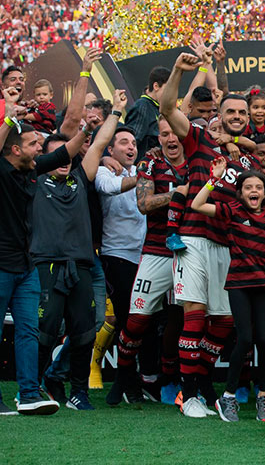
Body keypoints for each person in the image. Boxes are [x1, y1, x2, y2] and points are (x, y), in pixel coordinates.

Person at [160, 52, 261, 419]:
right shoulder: (199, 137)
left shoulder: (246, 162)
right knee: (195, 314)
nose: (237, 118)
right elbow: (168, 105)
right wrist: (179, 71)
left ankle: (201, 382)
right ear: (220, 112)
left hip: (227, 245)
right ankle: (189, 394)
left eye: (243, 114)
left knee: (224, 322)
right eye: (231, 112)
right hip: (193, 240)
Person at [33, 90, 127, 411]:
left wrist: (115, 112)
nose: (63, 160)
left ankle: (78, 393)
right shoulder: (34, 182)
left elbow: (99, 145)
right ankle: (33, 387)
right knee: (46, 331)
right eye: (56, 155)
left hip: (83, 266)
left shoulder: (79, 179)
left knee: (85, 331)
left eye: (67, 154)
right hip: (47, 265)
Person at [191, 158, 265, 423]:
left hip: (264, 284)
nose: (254, 191)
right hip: (239, 285)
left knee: (264, 340)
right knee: (244, 340)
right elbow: (197, 205)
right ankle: (228, 397)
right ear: (240, 192)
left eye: (258, 187)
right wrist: (213, 179)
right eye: (248, 187)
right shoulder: (231, 211)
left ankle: (263, 396)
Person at [0, 86, 70, 416]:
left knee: (29, 331)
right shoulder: (1, 170)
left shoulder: (32, 169)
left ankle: (28, 393)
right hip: (0, 266)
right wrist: (9, 119)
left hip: (26, 266)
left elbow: (63, 149)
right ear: (14, 148)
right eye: (32, 144)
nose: (39, 148)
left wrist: (88, 125)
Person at [109, 116, 187, 406]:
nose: (171, 138)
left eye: (175, 132)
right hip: (155, 250)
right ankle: (123, 375)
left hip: (190, 250)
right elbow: (143, 205)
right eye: (164, 134)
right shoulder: (149, 164)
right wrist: (176, 194)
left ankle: (170, 378)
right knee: (138, 319)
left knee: (180, 318)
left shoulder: (199, 161)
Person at [94, 126, 146, 403]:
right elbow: (109, 188)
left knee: (142, 322)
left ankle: (132, 381)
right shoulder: (105, 171)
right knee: (127, 320)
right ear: (110, 149)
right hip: (116, 255)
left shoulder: (139, 171)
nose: (131, 147)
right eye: (123, 142)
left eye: (134, 143)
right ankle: (124, 382)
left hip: (146, 256)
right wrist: (144, 178)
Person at [124, 65, 170, 159]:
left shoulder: (160, 108)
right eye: (169, 89)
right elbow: (130, 143)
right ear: (156, 86)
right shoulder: (142, 107)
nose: (172, 94)